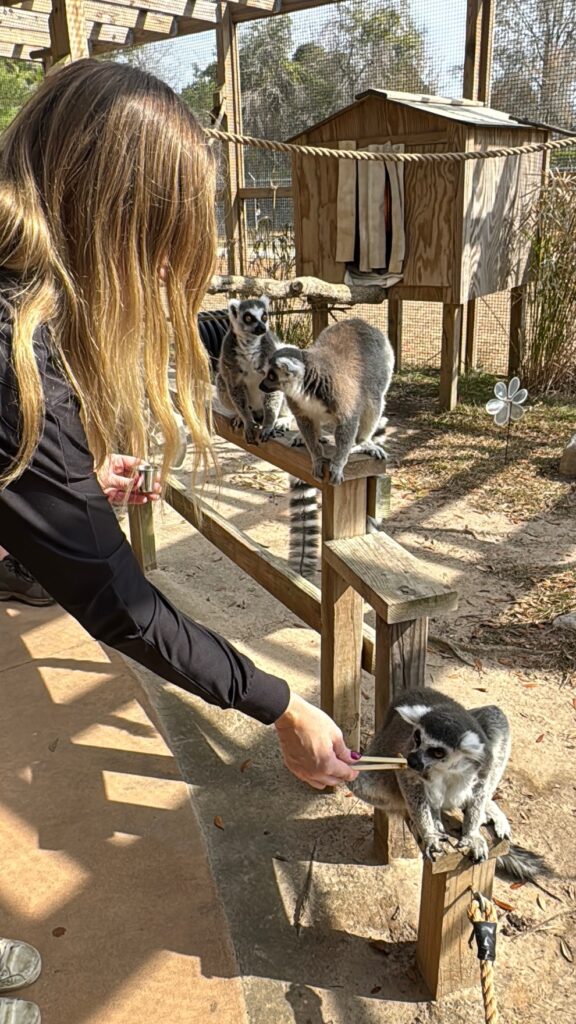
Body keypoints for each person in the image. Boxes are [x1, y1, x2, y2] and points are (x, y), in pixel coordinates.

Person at [0, 61, 359, 799]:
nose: (166, 264)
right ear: (115, 217)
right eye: (165, 238)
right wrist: (283, 707)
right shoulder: (17, 355)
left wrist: (51, 495)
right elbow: (118, 602)